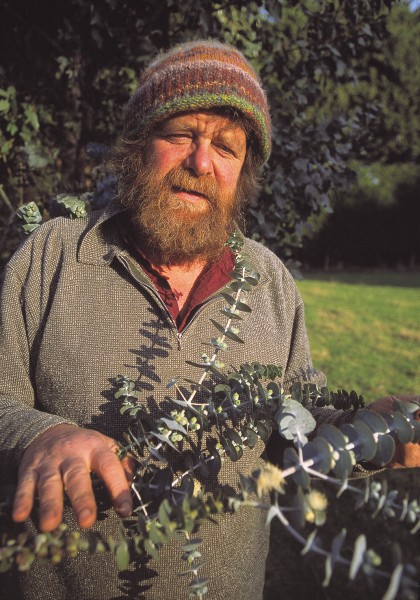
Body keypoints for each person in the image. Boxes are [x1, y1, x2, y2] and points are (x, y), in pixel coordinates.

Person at [0, 40, 417, 600]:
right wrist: (40, 434)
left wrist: (370, 433)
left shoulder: (270, 283)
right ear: (137, 146)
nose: (201, 163)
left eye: (227, 147)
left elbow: (295, 421)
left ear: (243, 172)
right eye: (180, 135)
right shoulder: (52, 257)